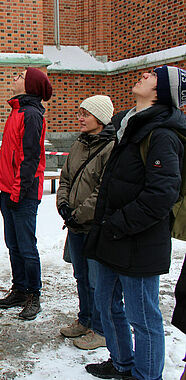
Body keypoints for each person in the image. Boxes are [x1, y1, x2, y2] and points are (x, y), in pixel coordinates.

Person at [84, 65, 186, 380]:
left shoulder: (163, 134)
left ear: (163, 91)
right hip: (112, 236)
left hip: (139, 242)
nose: (143, 75)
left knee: (142, 317)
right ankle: (122, 362)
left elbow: (161, 194)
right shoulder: (129, 126)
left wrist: (118, 224)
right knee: (107, 303)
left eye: (153, 75)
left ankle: (145, 374)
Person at [0, 67, 53, 320]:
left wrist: (18, 191)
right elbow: (8, 155)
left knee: (27, 247)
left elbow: (30, 158)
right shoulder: (16, 111)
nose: (14, 78)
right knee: (13, 244)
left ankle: (33, 295)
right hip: (9, 190)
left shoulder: (31, 114)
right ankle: (19, 289)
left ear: (29, 85)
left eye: (20, 76)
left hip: (22, 193)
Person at [56, 95, 115, 350]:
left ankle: (100, 329)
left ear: (100, 119)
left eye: (85, 114)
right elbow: (66, 176)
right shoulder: (79, 143)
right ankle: (85, 319)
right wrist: (62, 204)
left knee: (95, 280)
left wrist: (78, 213)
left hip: (93, 227)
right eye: (79, 113)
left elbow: (103, 190)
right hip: (75, 225)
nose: (80, 118)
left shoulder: (111, 148)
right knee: (80, 276)